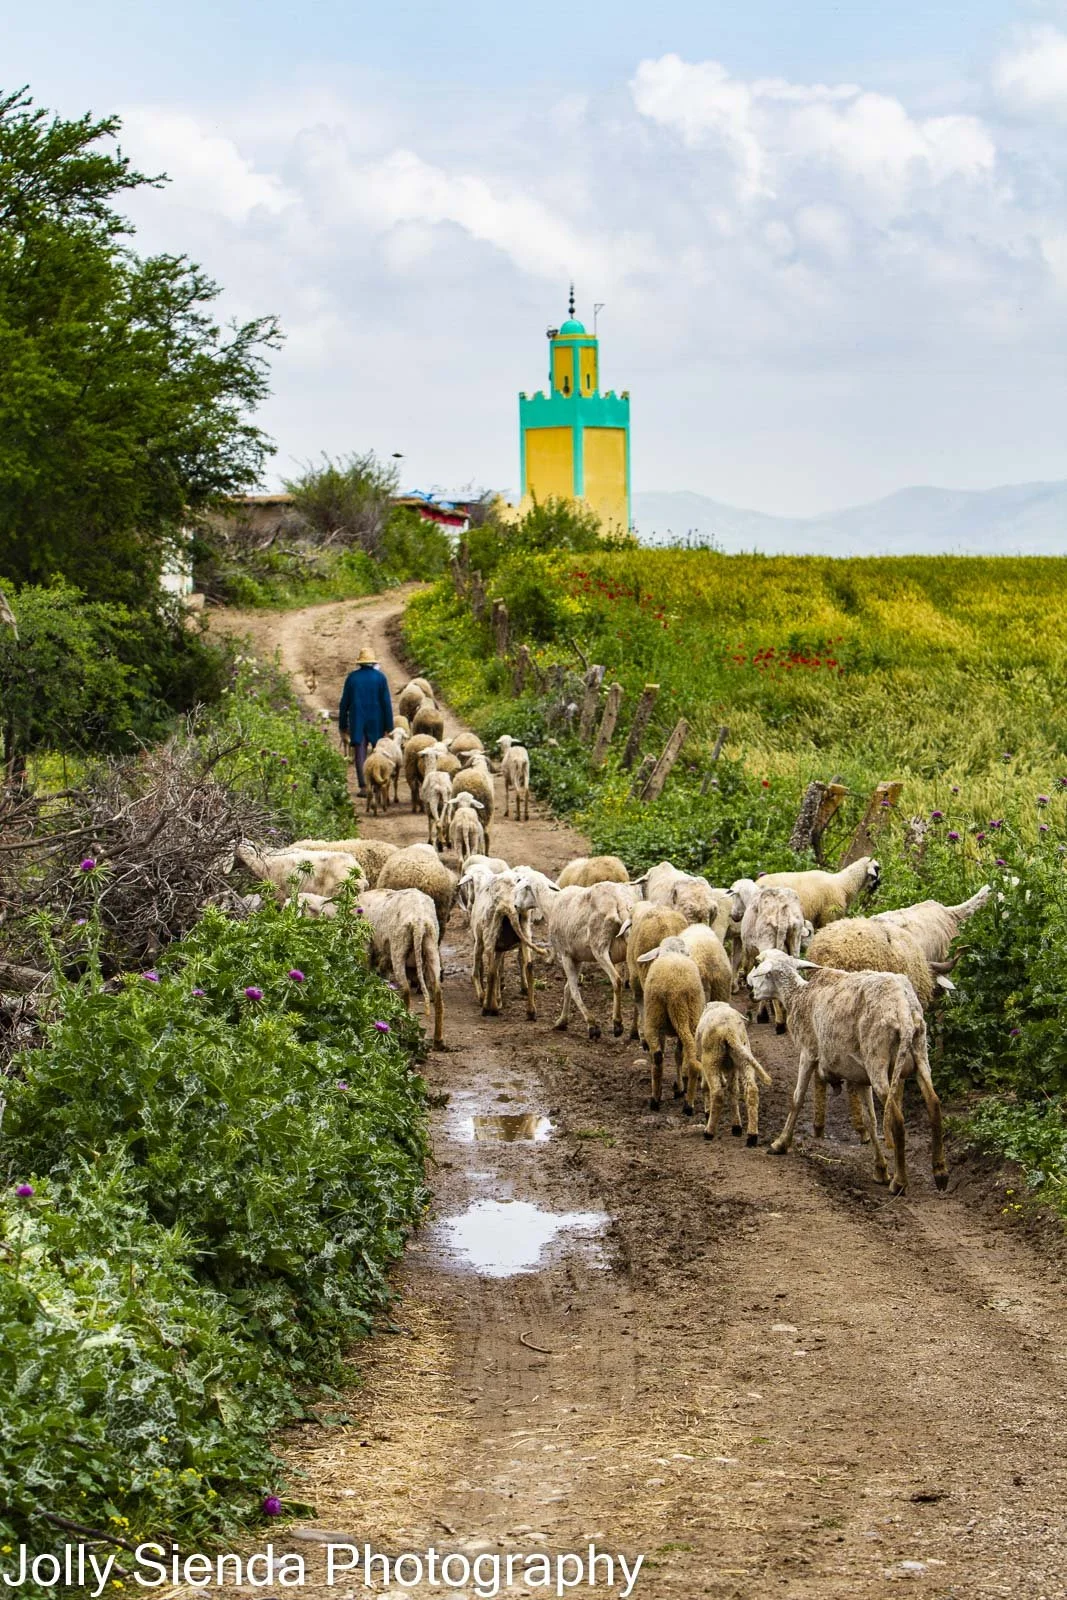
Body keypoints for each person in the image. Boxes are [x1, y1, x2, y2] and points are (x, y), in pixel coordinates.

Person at [338, 645, 394, 795]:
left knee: (360, 752)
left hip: (357, 720)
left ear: (360, 663)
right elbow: (386, 703)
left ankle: (364, 786)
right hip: (377, 721)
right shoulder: (380, 678)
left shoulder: (352, 678)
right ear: (372, 662)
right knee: (378, 752)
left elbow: (344, 703)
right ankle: (378, 782)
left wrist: (343, 724)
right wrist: (389, 726)